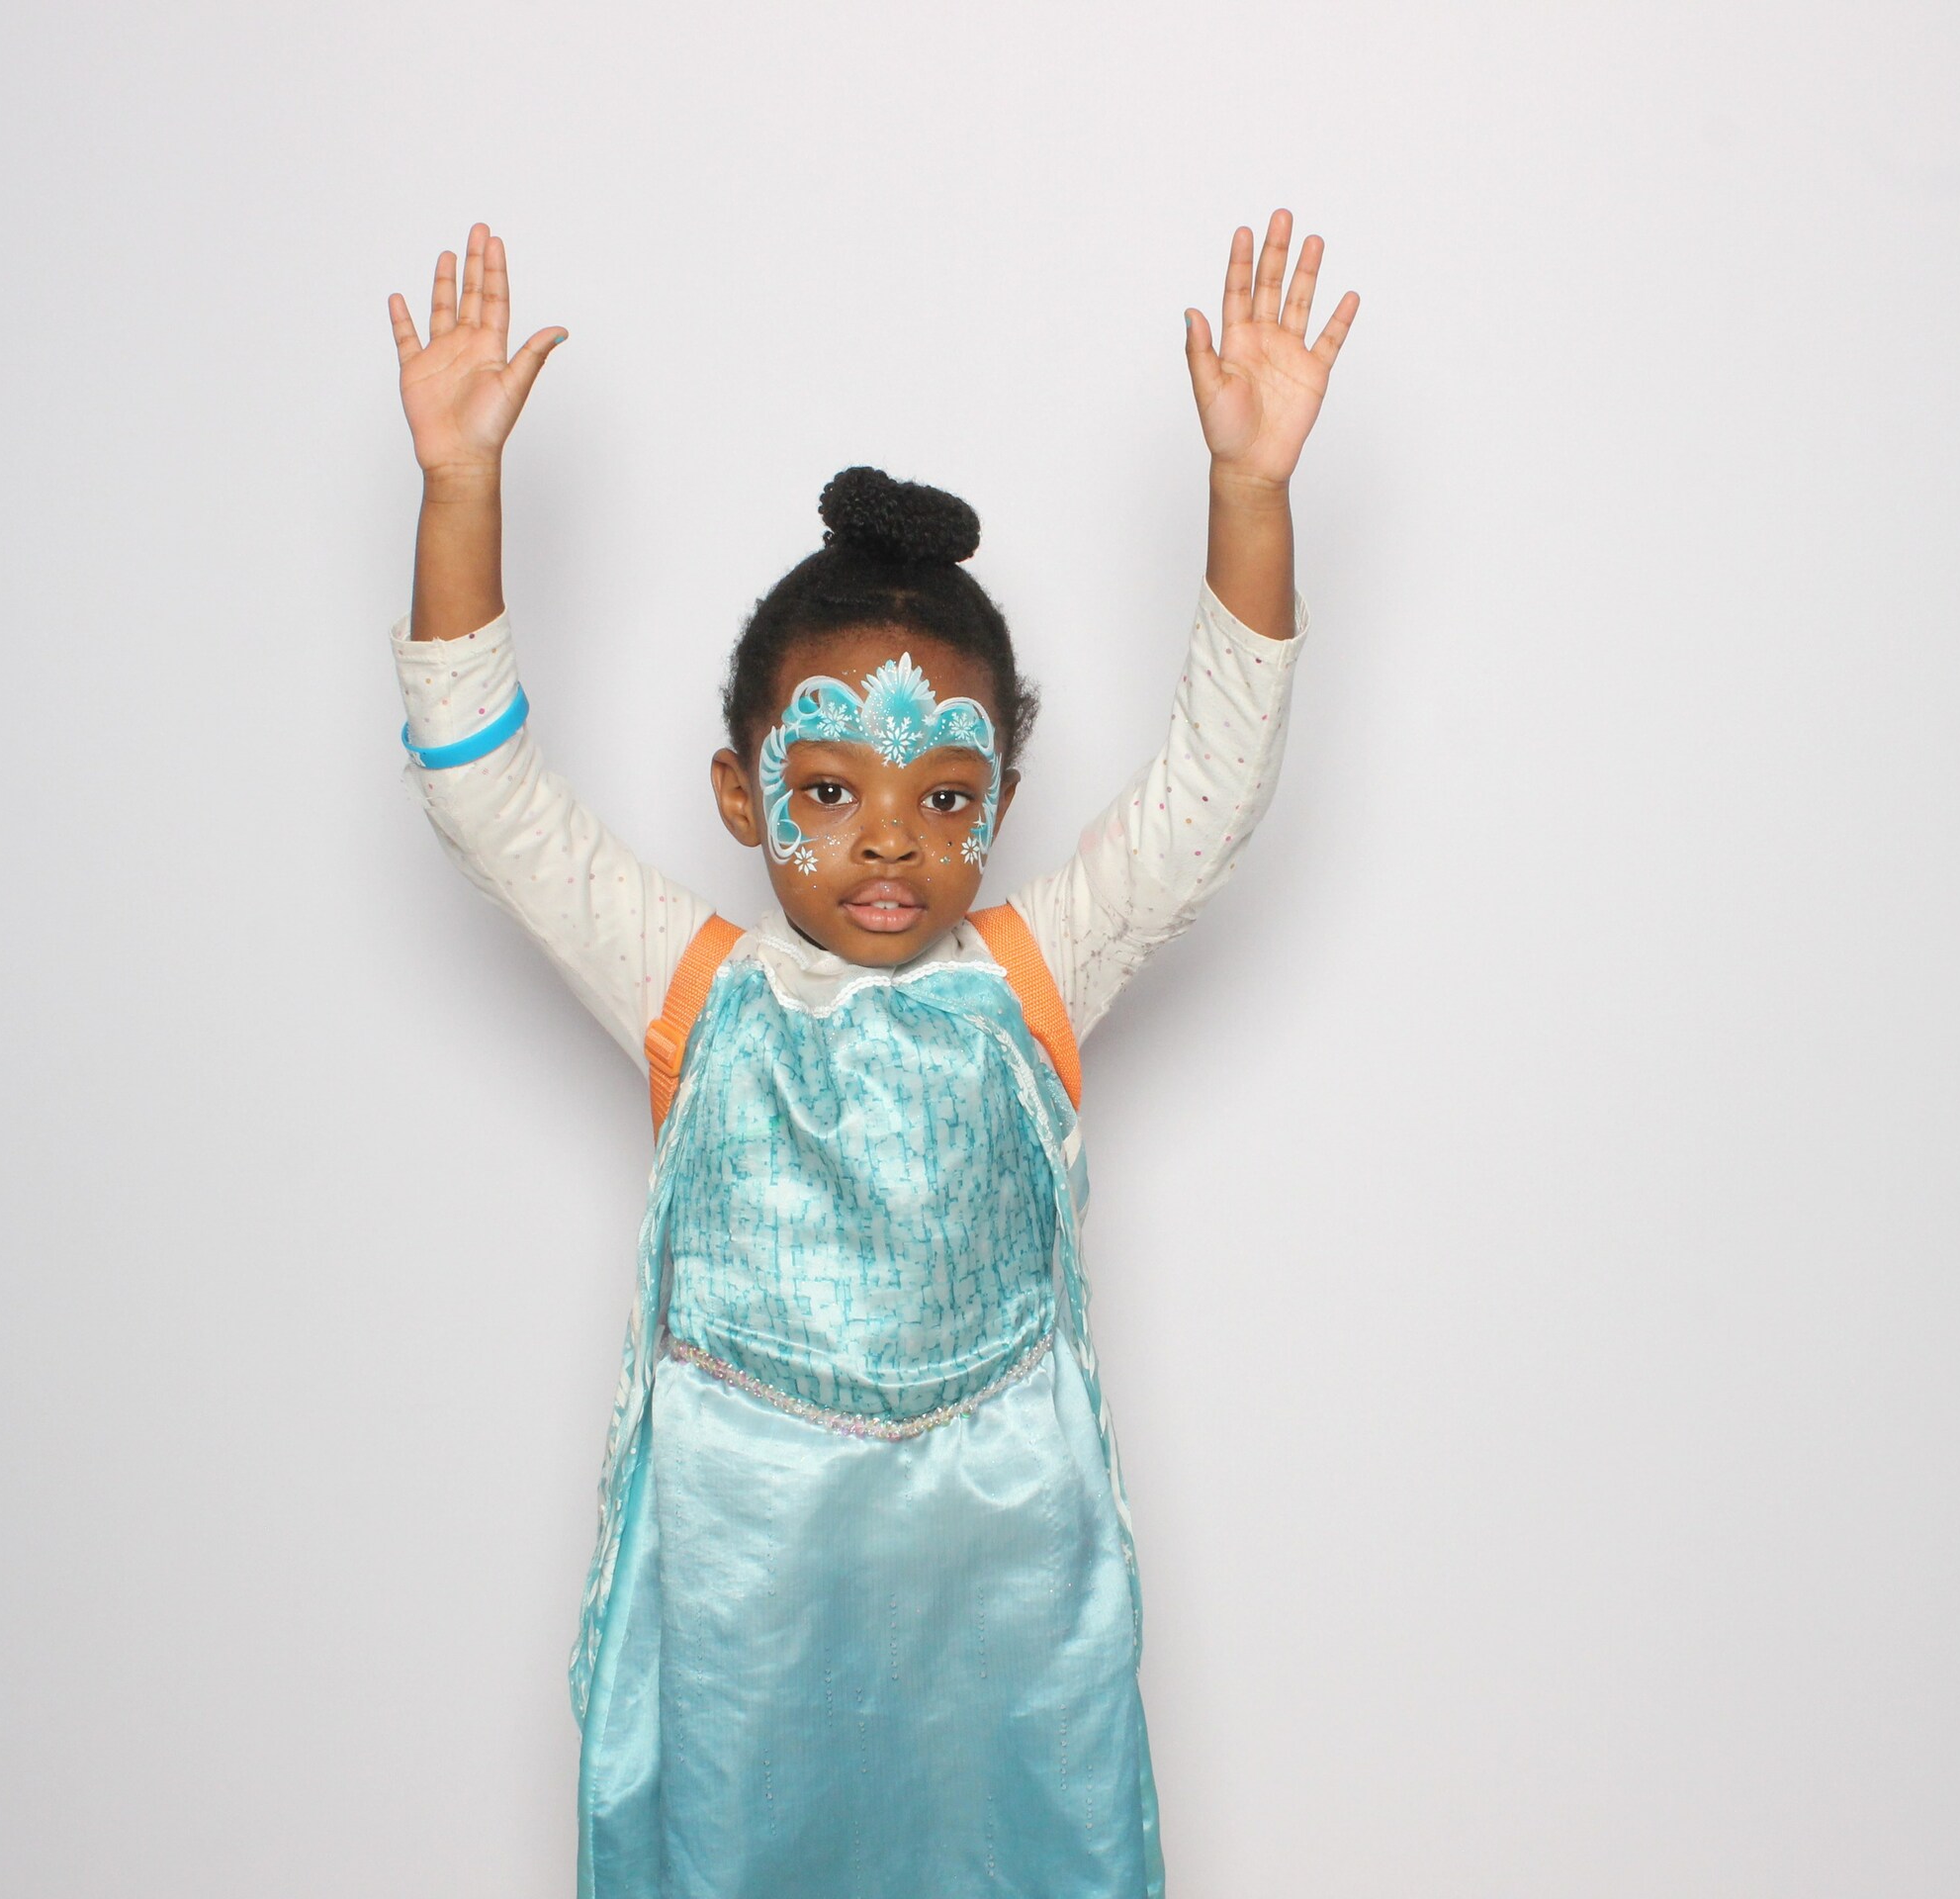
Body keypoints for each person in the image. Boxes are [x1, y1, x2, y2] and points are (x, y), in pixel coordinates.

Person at [383, 210, 1358, 1898]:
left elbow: (1215, 785)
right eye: (829, 790)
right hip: (752, 1583)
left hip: (1000, 1575)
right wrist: (460, 489)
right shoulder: (696, 992)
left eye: (944, 794)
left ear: (1001, 804)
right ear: (741, 793)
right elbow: (484, 793)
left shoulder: (1034, 978)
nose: (888, 840)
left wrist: (1251, 494)